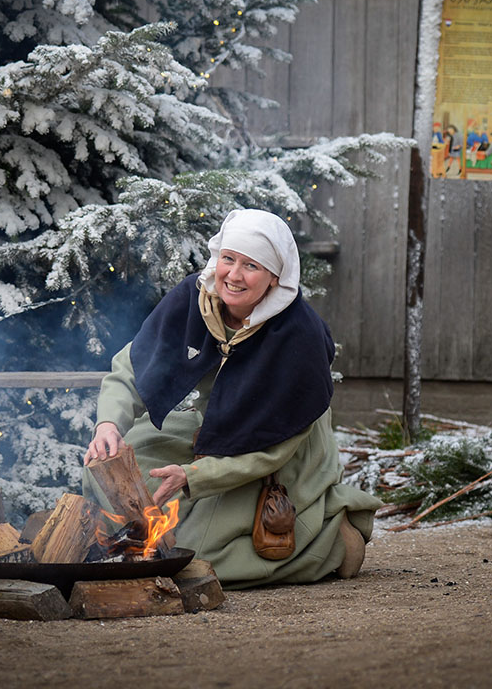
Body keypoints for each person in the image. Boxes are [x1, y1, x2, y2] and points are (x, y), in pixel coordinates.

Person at [82, 209, 381, 588]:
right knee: (120, 460)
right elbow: (132, 369)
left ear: (274, 278)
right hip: (217, 422)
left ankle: (332, 539)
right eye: (229, 259)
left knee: (197, 552)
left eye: (251, 266)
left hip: (279, 444)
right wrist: (109, 424)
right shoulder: (193, 299)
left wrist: (193, 476)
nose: (234, 276)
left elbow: (273, 451)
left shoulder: (299, 338)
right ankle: (138, 546)